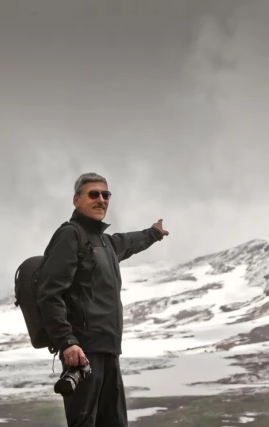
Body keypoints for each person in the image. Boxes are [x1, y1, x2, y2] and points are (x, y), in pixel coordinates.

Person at [37, 172, 169, 427]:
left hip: (109, 350)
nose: (101, 200)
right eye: (93, 194)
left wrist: (153, 233)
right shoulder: (70, 235)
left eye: (105, 195)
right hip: (82, 352)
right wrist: (67, 342)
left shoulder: (105, 243)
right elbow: (50, 293)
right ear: (76, 200)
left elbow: (129, 242)